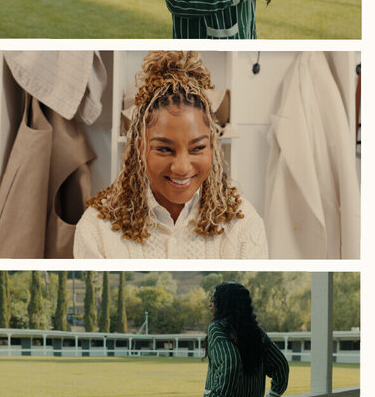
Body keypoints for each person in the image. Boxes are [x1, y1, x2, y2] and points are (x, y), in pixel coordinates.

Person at [74, 51, 268, 259]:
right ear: (140, 147)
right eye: (165, 149)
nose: (182, 167)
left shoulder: (243, 225)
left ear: (212, 146)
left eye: (197, 148)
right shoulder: (97, 228)